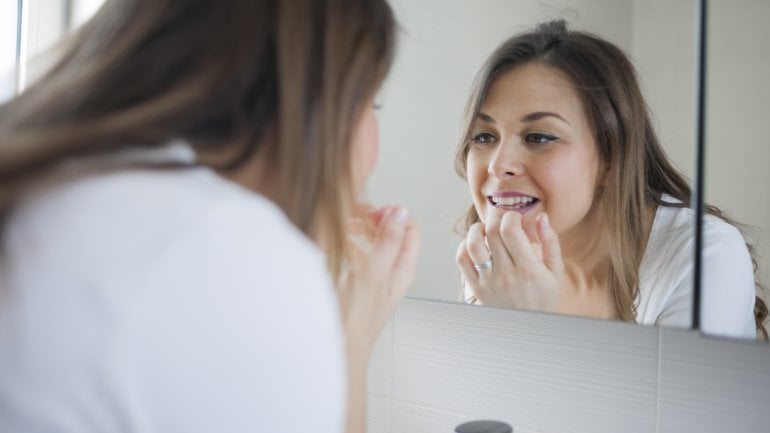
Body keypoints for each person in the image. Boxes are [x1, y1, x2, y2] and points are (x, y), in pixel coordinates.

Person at [0, 1, 419, 432]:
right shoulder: (225, 249)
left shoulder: (58, 188)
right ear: (303, 99)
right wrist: (351, 341)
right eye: (373, 104)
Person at [454, 20, 767, 340]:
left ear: (611, 157)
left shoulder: (703, 257)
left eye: (539, 137)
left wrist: (528, 323)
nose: (498, 165)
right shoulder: (497, 262)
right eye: (483, 136)